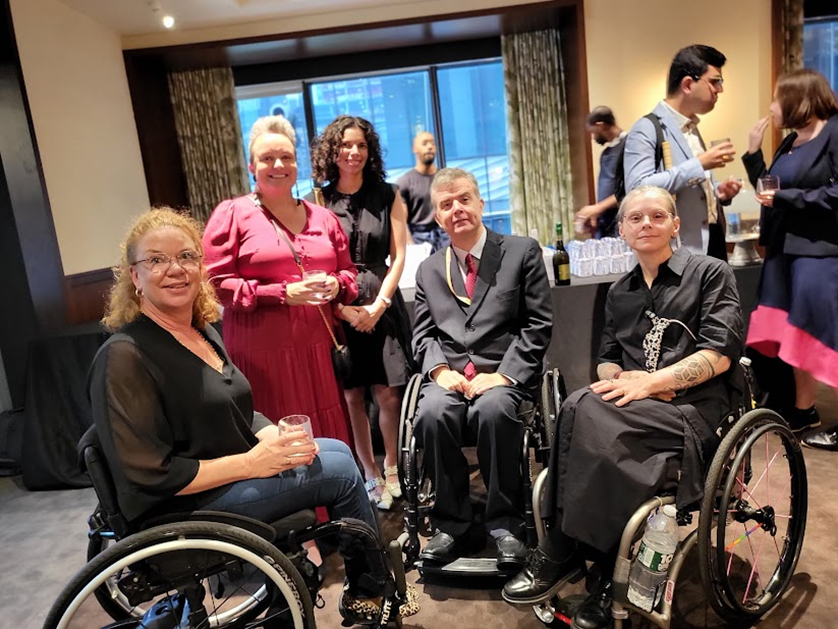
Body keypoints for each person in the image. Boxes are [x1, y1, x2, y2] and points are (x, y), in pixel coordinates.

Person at [89, 207, 418, 621]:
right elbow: (151, 475)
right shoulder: (124, 356)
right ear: (134, 276)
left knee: (331, 450)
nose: (175, 269)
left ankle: (366, 586)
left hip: (220, 478)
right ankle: (371, 591)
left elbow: (235, 405)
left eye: (187, 257)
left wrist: (267, 434)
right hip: (177, 509)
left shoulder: (200, 332)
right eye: (156, 260)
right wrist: (250, 463)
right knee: (337, 471)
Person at [503, 187, 743, 629]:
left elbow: (721, 352)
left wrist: (654, 382)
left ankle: (573, 559)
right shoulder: (620, 291)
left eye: (656, 216)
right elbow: (608, 357)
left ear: (675, 224)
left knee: (597, 424)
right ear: (622, 231)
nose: (645, 224)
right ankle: (576, 554)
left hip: (697, 408)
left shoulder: (710, 273)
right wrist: (620, 379)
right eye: (635, 218)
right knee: (578, 404)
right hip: (638, 403)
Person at [412, 167, 553, 571]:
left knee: (494, 411)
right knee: (432, 413)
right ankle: (450, 524)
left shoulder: (520, 251)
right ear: (438, 217)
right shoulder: (429, 270)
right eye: (446, 204)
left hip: (502, 373)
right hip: (451, 374)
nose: (457, 209)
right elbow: (423, 336)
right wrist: (439, 372)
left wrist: (504, 375)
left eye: (464, 199)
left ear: (480, 203)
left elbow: (538, 325)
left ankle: (506, 524)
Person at [202, 116, 357, 448]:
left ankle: (332, 499)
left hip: (318, 348)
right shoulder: (232, 215)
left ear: (296, 163)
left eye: (286, 157)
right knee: (276, 436)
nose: (278, 165)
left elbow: (349, 274)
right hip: (261, 353)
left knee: (327, 437)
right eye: (267, 158)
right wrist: (282, 293)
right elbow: (215, 284)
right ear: (251, 166)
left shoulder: (324, 217)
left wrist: (335, 285)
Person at [308, 115, 414, 510]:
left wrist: (379, 305)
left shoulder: (389, 194)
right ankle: (368, 473)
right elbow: (312, 260)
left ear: (370, 152)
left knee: (388, 393)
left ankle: (392, 467)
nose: (353, 152)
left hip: (381, 298)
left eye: (361, 145)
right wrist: (344, 309)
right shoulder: (317, 200)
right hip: (337, 305)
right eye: (345, 145)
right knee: (352, 394)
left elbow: (399, 255)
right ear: (332, 151)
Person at [742, 68, 838, 448]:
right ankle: (803, 410)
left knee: (825, 332)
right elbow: (770, 189)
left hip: (821, 253)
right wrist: (753, 153)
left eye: (777, 97)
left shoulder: (833, 131)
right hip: (784, 250)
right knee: (794, 334)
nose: (771, 106)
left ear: (799, 99)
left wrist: (787, 198)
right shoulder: (793, 141)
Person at [623, 44, 743, 260]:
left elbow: (691, 188)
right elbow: (637, 188)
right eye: (715, 82)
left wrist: (718, 192)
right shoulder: (647, 127)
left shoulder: (691, 127)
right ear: (688, 84)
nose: (720, 90)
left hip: (711, 241)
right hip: (676, 251)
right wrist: (699, 164)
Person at [575, 106, 626, 238]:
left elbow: (630, 187)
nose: (593, 138)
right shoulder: (607, 152)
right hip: (606, 223)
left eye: (593, 132)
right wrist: (596, 213)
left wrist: (598, 208)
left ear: (601, 125)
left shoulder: (629, 145)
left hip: (622, 221)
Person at [397, 131, 450, 252]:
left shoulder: (444, 178)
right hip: (419, 239)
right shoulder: (405, 182)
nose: (430, 147)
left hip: (445, 235)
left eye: (432, 143)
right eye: (424, 143)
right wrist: (412, 247)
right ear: (415, 148)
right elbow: (401, 222)